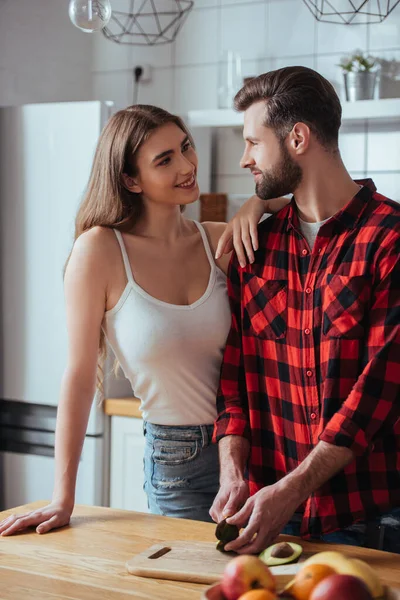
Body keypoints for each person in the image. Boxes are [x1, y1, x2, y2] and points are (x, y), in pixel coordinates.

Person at [0, 104, 288, 536]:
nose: (188, 165)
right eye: (165, 159)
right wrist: (63, 497)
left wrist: (258, 202)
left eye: (185, 147)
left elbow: (311, 201)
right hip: (179, 462)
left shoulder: (217, 240)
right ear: (130, 179)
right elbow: (79, 377)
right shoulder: (98, 251)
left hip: (259, 451)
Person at [210, 66, 400, 554]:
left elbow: (376, 394)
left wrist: (292, 490)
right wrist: (232, 468)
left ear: (297, 137)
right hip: (272, 517)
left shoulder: (390, 239)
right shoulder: (257, 246)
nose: (244, 157)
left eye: (254, 142)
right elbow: (235, 382)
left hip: (371, 517)